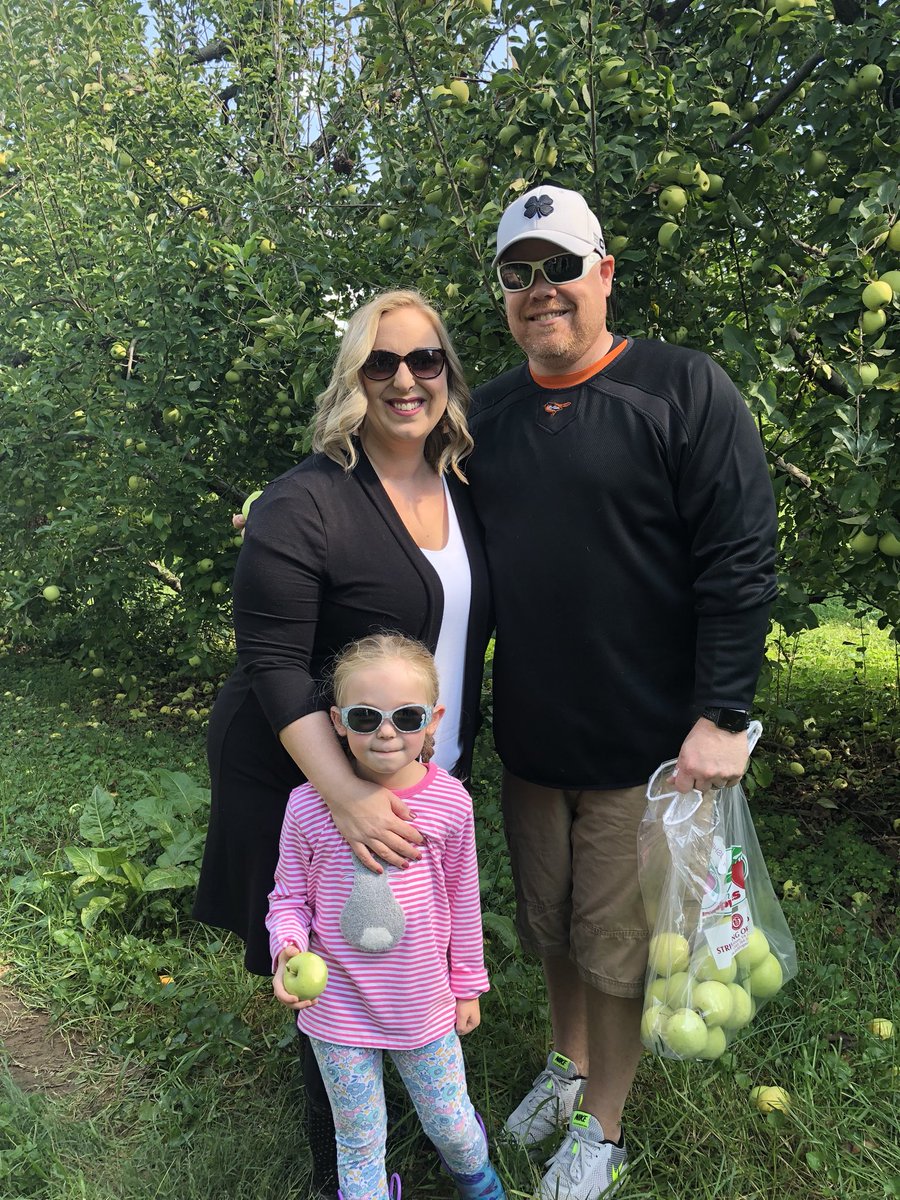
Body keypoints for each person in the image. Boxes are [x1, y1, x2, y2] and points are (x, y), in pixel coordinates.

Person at [457, 183, 779, 1199]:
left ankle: (604, 1127)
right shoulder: (490, 417)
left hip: (649, 752)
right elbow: (415, 521)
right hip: (537, 737)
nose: (541, 289)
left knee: (614, 943)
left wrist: (723, 715)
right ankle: (568, 1063)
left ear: (605, 273)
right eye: (520, 273)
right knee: (549, 926)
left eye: (560, 266)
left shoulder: (683, 390)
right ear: (504, 295)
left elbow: (739, 559)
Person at [192, 290, 493, 1196]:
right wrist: (345, 795)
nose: (406, 380)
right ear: (353, 378)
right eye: (382, 362)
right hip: (308, 767)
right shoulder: (305, 501)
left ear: (448, 372)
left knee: (396, 953)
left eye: (425, 359)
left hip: (406, 763)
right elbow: (275, 661)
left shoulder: (463, 488)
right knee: (334, 977)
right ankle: (348, 1178)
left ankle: (400, 1138)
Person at [267, 633, 504, 1200]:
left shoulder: (450, 804)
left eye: (407, 715)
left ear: (434, 720)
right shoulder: (307, 806)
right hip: (337, 1006)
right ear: (337, 721)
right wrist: (289, 948)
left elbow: (463, 901)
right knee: (357, 1135)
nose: (387, 732)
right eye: (366, 716)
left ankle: (479, 1182)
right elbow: (288, 897)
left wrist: (467, 986)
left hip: (422, 1004)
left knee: (449, 1121)